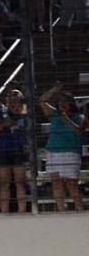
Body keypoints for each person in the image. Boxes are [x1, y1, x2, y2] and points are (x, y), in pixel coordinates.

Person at [39, 84, 86, 212]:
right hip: (53, 152)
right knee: (56, 182)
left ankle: (80, 209)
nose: (62, 104)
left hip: (71, 152)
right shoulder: (54, 114)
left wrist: (67, 120)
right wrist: (54, 90)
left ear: (71, 103)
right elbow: (42, 101)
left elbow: (80, 132)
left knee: (72, 184)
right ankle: (61, 209)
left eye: (65, 102)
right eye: (60, 102)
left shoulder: (79, 117)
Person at [0, 89, 29, 215]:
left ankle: (21, 211)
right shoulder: (1, 112)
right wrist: (3, 125)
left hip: (20, 149)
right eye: (11, 96)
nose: (13, 98)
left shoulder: (24, 111)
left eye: (16, 95)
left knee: (20, 182)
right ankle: (4, 211)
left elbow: (28, 127)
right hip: (4, 149)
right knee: (4, 183)